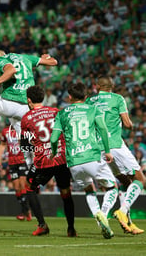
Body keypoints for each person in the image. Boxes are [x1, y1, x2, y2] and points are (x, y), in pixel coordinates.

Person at [50, 83, 118, 239]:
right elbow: (102, 129)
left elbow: (53, 139)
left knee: (88, 189)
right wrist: (107, 151)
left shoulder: (62, 113)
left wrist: (54, 153)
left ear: (70, 97)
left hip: (73, 162)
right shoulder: (93, 109)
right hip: (92, 156)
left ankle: (98, 218)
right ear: (86, 97)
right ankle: (104, 214)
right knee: (112, 188)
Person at [86, 76, 146, 235]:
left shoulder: (89, 102)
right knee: (140, 179)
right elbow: (127, 124)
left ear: (97, 86)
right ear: (112, 86)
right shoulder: (118, 99)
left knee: (125, 183)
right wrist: (132, 127)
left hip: (97, 149)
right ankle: (123, 210)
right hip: (115, 145)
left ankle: (127, 223)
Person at [21, 86, 76, 236]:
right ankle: (71, 228)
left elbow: (25, 144)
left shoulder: (27, 118)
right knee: (65, 191)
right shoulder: (56, 112)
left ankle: (42, 225)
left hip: (43, 160)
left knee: (29, 187)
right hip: (61, 157)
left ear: (29, 100)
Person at [0, 125, 31, 222]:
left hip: (22, 160)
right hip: (12, 162)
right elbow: (3, 144)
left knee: (22, 185)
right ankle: (26, 210)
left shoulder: (22, 129)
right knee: (16, 188)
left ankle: (25, 212)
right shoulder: (5, 131)